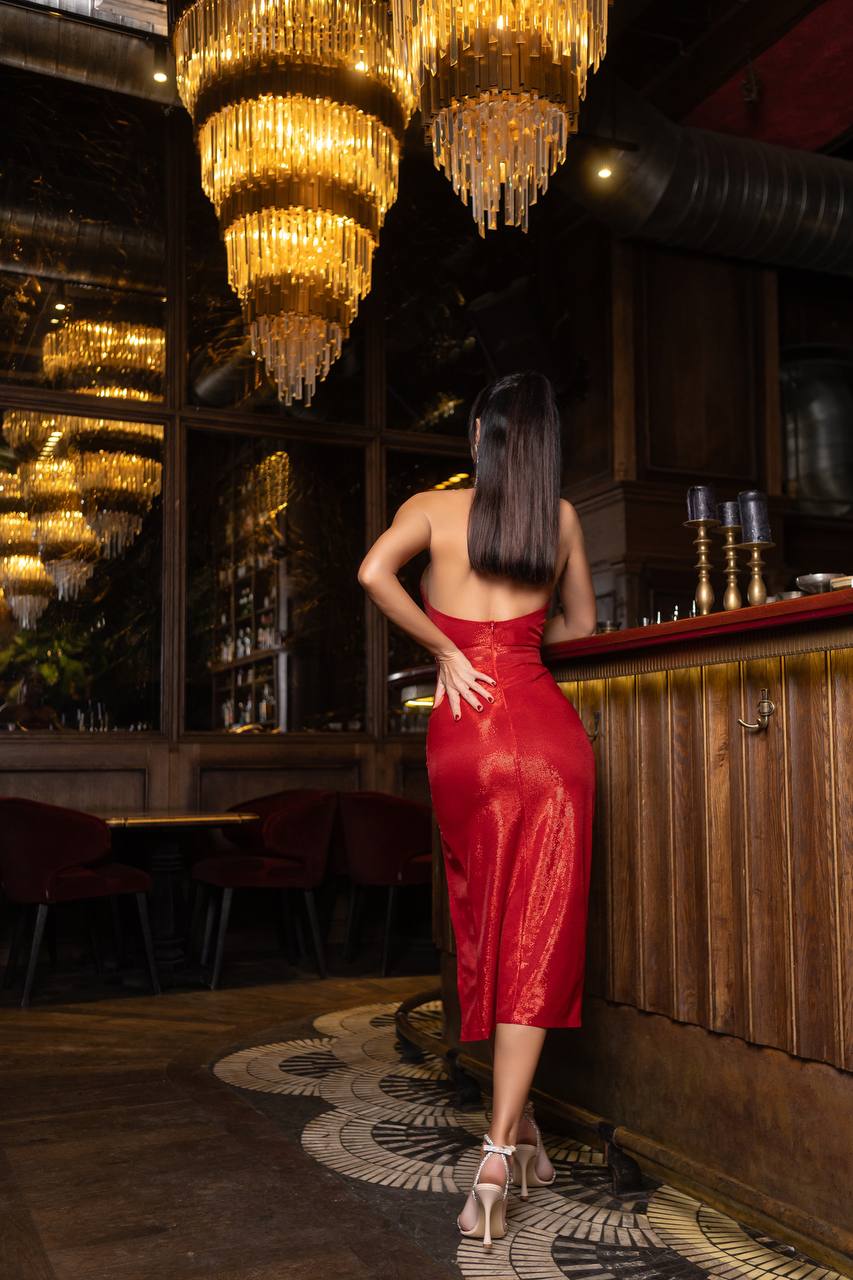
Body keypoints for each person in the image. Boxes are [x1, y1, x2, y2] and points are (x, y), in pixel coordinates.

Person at [358, 370, 597, 1250]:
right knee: (537, 933)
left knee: (487, 922)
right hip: (551, 737)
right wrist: (516, 636)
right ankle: (506, 1144)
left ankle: (505, 1141)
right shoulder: (560, 522)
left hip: (465, 739)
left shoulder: (431, 506)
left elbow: (371, 574)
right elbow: (577, 637)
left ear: (478, 437)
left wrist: (444, 648)